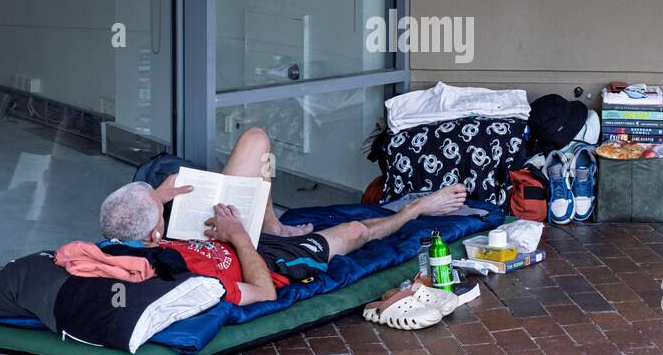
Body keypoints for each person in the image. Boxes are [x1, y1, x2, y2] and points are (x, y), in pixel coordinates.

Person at [97, 127, 467, 305]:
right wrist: (239, 237)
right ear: (150, 237)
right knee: (355, 230)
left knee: (256, 140)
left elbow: (133, 216)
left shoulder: (132, 236)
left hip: (219, 227)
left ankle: (272, 223)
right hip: (262, 257)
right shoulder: (179, 280)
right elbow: (264, 292)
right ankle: (415, 208)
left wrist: (163, 195)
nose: (162, 203)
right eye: (158, 209)